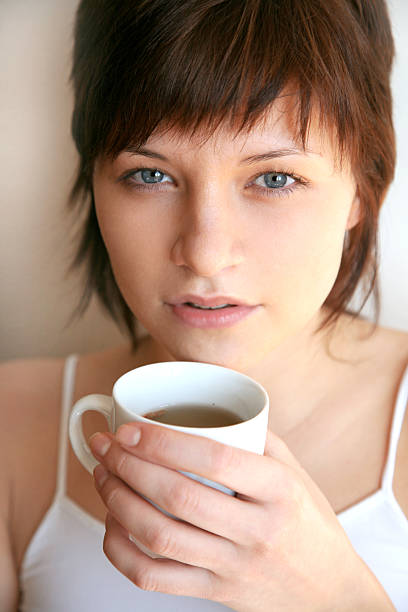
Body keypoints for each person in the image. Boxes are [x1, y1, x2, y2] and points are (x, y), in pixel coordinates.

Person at [1, 0, 407, 610]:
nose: (206, 254)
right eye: (149, 175)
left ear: (363, 185)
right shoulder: (13, 428)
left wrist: (338, 595)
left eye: (273, 178)